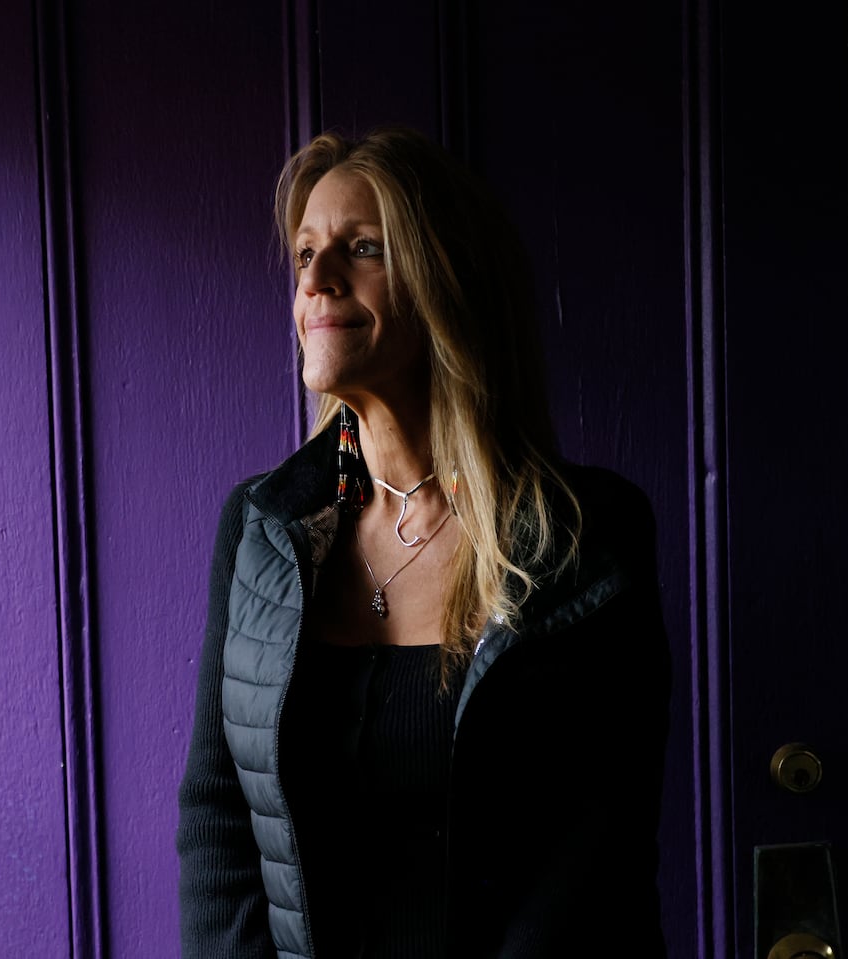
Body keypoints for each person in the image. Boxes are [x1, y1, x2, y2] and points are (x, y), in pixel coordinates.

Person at [177, 127, 670, 958]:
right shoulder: (261, 528)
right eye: (304, 253)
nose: (316, 280)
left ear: (450, 279)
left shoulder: (588, 531)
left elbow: (594, 851)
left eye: (361, 248)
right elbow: (219, 816)